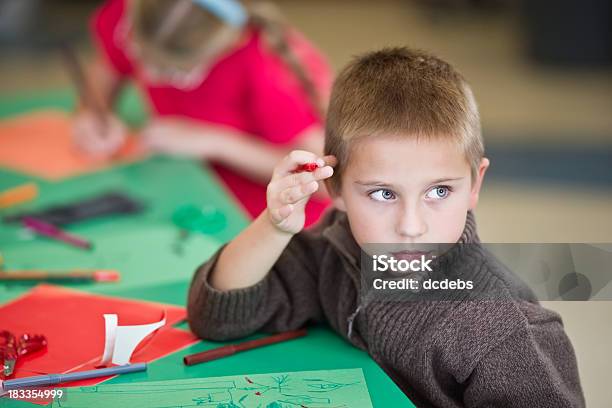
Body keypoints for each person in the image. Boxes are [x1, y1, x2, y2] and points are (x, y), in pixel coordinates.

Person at [186, 47, 585, 407]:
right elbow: (218, 317)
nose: (411, 227)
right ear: (334, 186)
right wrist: (274, 227)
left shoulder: (505, 331)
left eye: (439, 191)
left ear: (474, 184)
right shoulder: (335, 250)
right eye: (383, 194)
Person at [75, 0, 331, 226]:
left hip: (270, 216)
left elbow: (322, 180)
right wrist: (93, 112)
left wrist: (216, 142)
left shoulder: (266, 66)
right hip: (187, 183)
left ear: (229, 43)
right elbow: (106, 69)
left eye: (175, 71)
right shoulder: (139, 16)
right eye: (139, 54)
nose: (151, 74)